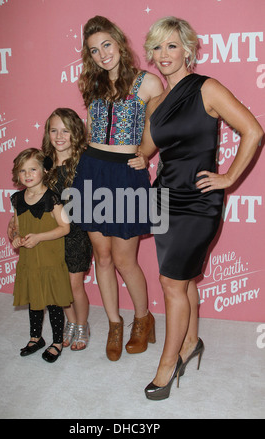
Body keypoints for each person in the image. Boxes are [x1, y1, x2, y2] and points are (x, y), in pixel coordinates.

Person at [140, 16, 263, 399]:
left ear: (187, 49)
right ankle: (191, 342)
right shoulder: (155, 101)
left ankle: (168, 363)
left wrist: (227, 178)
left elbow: (253, 131)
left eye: (172, 45)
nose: (164, 54)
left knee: (171, 283)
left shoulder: (206, 88)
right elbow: (144, 153)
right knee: (183, 279)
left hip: (197, 203)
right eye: (157, 47)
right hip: (164, 198)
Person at [71, 15, 164, 361]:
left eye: (106, 45)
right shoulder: (92, 84)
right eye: (94, 50)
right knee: (103, 256)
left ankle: (143, 319)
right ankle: (114, 322)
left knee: (125, 259)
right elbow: (92, 128)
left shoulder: (148, 84)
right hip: (93, 171)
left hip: (126, 174)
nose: (102, 54)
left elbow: (158, 128)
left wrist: (146, 153)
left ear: (120, 43)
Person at [10, 148, 73, 363]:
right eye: (22, 170)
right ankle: (36, 338)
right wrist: (16, 238)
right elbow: (16, 226)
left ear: (44, 171)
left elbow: (65, 228)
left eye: (32, 169)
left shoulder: (52, 198)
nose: (27, 175)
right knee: (34, 302)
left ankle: (57, 341)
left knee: (54, 304)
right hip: (29, 262)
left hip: (50, 260)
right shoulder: (17, 199)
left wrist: (39, 237)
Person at [42, 108, 93, 351]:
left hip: (78, 233)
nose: (59, 136)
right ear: (47, 133)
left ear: (76, 133)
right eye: (54, 130)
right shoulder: (44, 162)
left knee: (74, 285)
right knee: (60, 284)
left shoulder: (84, 161)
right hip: (53, 234)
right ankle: (70, 323)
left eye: (65, 130)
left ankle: (83, 326)